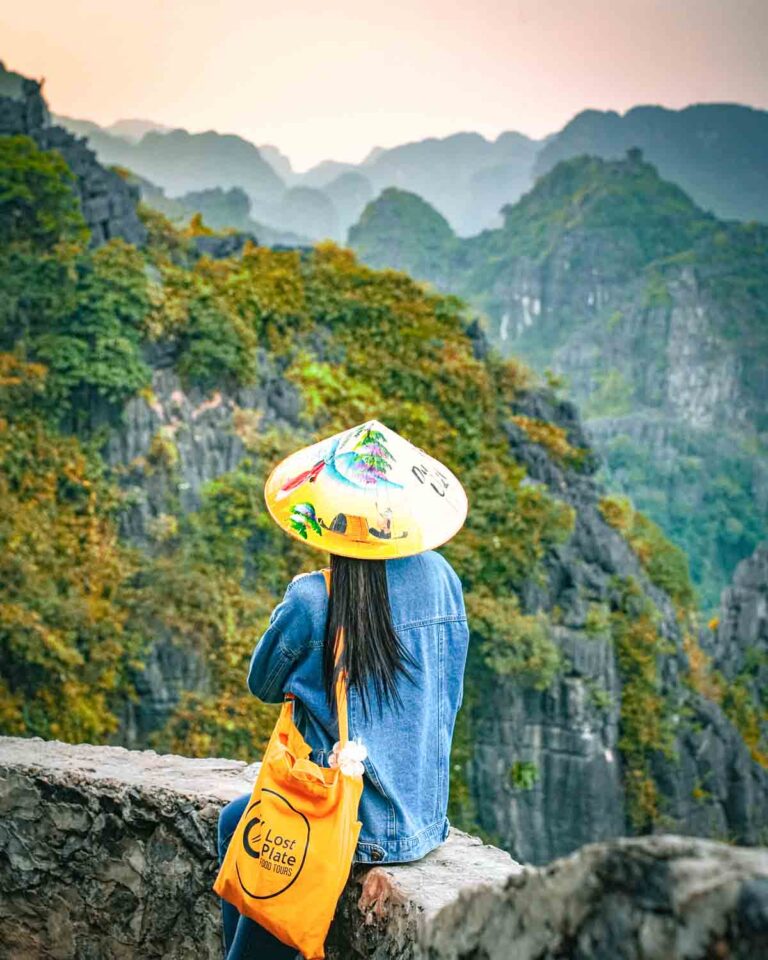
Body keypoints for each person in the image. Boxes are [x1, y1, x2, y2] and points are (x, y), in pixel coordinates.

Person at [216, 420, 470, 960]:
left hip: (348, 822)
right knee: (232, 821)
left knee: (255, 847)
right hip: (422, 819)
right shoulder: (444, 577)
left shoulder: (313, 598)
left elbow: (262, 683)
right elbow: (448, 694)